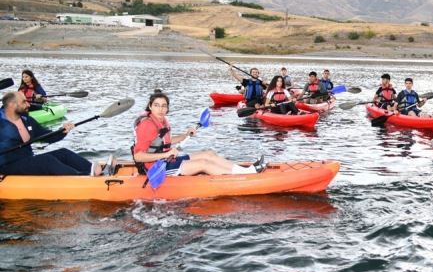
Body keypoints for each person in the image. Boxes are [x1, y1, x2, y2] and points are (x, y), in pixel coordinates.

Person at [133, 91, 265, 176]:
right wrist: (167, 154)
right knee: (203, 163)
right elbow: (138, 156)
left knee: (208, 154)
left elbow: (164, 142)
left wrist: (185, 135)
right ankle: (246, 174)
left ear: (167, 108)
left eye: (164, 106)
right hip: (156, 169)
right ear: (150, 106)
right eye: (156, 105)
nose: (160, 109)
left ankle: (246, 171)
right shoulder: (147, 125)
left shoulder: (162, 120)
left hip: (166, 160)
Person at [0, 91, 105, 176]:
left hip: (27, 160)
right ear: (11, 105)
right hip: (7, 166)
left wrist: (63, 131)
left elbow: (47, 136)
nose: (28, 104)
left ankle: (95, 170)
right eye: (24, 102)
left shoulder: (26, 119)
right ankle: (84, 177)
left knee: (63, 153)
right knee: (46, 160)